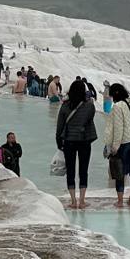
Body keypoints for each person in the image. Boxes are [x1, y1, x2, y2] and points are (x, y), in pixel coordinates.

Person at [55, 78, 98, 210]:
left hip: (69, 141)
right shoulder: (89, 105)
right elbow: (90, 118)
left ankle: (73, 201)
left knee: (71, 171)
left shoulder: (65, 105)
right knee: (83, 170)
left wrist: (58, 141)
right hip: (85, 140)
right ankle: (82, 201)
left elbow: (60, 126)